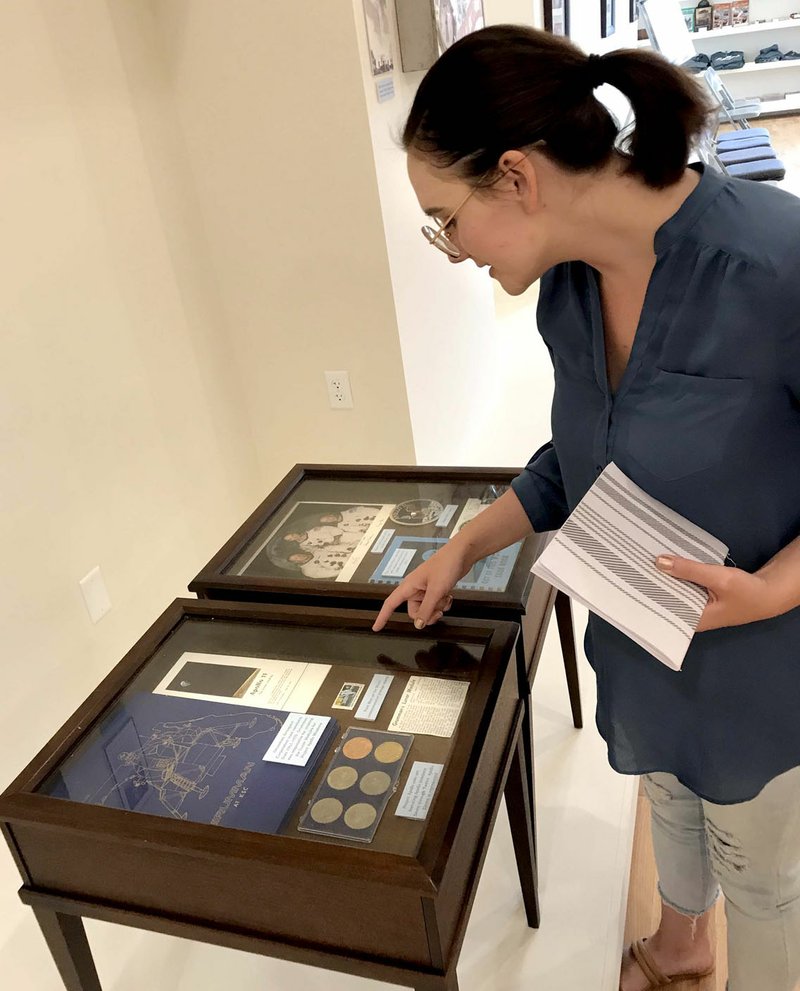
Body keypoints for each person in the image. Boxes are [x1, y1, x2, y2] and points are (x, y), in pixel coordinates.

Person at [371, 25, 800, 991]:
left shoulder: (776, 267)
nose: (448, 249)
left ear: (516, 177)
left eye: (446, 218)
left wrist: (773, 590)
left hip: (767, 670)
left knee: (766, 883)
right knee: (673, 803)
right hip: (651, 642)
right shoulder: (567, 291)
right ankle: (685, 940)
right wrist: (467, 543)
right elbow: (581, 459)